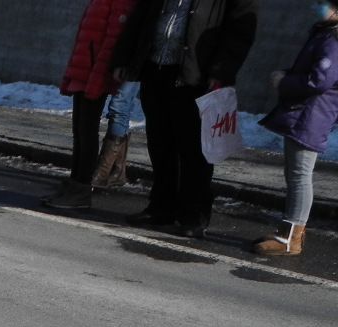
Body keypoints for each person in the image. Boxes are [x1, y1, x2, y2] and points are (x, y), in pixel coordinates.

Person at [114, 0, 258, 239]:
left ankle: (194, 214)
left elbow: (240, 29)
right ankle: (161, 207)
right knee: (160, 143)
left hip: (196, 75)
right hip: (156, 67)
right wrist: (124, 57)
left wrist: (221, 70)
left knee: (193, 148)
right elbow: (141, 15)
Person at [252, 1, 338, 257]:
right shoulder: (325, 34)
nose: (318, 7)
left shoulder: (333, 40)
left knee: (300, 176)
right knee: (295, 175)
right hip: (307, 113)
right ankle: (288, 232)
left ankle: (291, 239)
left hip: (312, 115)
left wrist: (285, 81)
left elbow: (320, 80)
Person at [44, 0, 138, 211]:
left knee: (87, 131)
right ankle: (73, 183)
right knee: (79, 129)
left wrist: (96, 80)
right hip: (84, 69)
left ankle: (81, 188)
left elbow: (112, 40)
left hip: (94, 73)